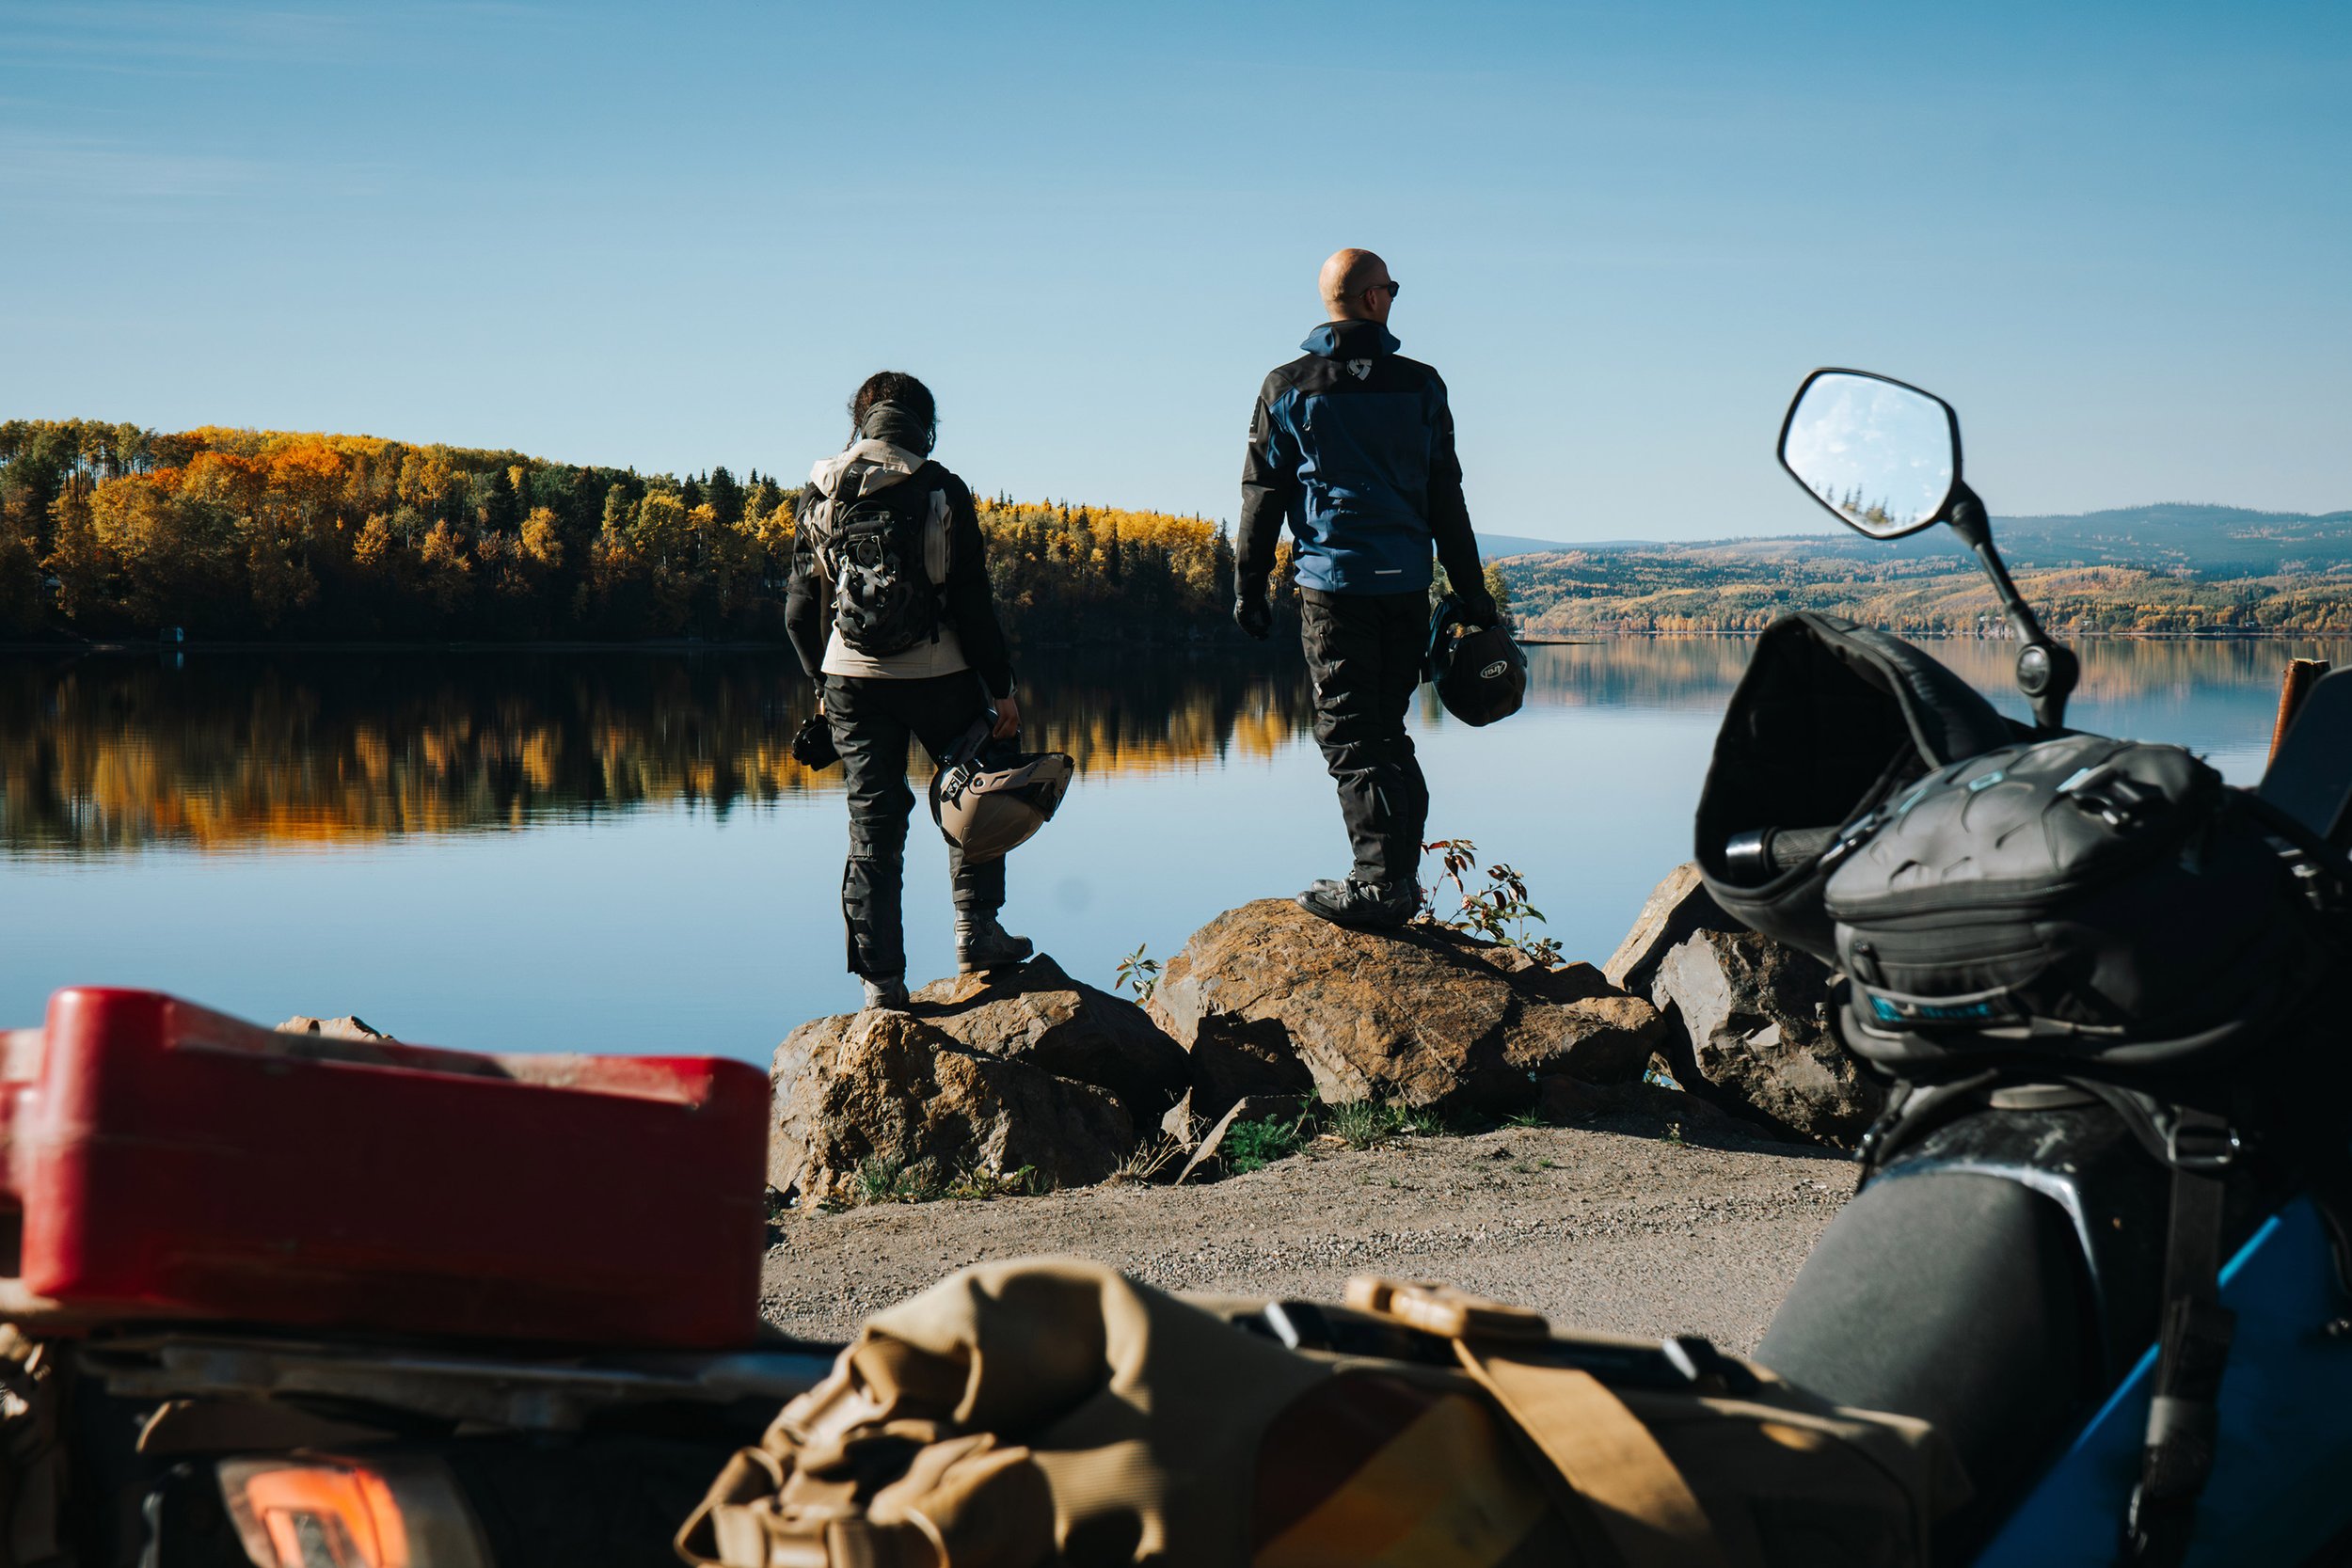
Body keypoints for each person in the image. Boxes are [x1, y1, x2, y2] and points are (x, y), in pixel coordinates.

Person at [1234, 248, 1498, 927]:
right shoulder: (1422, 385)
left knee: (1353, 737)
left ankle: (1380, 886)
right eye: (1393, 288)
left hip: (1334, 590)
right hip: (1404, 589)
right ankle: (1395, 882)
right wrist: (1472, 592)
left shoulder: (1288, 385)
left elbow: (1263, 494)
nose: (1395, 298)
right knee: (1385, 735)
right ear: (1373, 299)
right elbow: (1449, 500)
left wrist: (1250, 584)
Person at [786, 372, 1030, 1010]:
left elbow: (795, 612)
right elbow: (973, 601)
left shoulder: (819, 492)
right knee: (979, 777)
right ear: (923, 424)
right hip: (939, 673)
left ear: (860, 420)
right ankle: (976, 930)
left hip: (848, 680)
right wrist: (1001, 690)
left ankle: (881, 983)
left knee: (874, 822)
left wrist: (822, 685)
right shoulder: (942, 488)